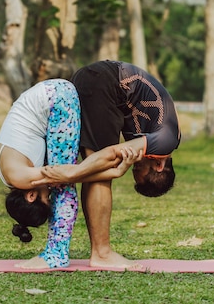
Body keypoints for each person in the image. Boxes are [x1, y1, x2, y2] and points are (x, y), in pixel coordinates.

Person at [0, 78, 143, 269]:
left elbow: (68, 175)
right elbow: (75, 174)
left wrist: (115, 169)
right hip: (54, 95)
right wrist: (114, 171)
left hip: (57, 98)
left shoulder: (19, 176)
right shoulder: (14, 177)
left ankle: (55, 255)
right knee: (63, 181)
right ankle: (58, 253)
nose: (48, 192)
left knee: (63, 188)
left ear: (31, 196)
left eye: (46, 197)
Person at [64, 60, 180, 268]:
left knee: (97, 167)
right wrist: (67, 176)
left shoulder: (161, 136)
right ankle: (102, 253)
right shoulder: (166, 141)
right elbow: (110, 154)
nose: (134, 164)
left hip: (95, 80)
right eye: (138, 167)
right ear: (159, 166)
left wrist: (74, 173)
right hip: (105, 83)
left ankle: (99, 251)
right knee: (104, 169)